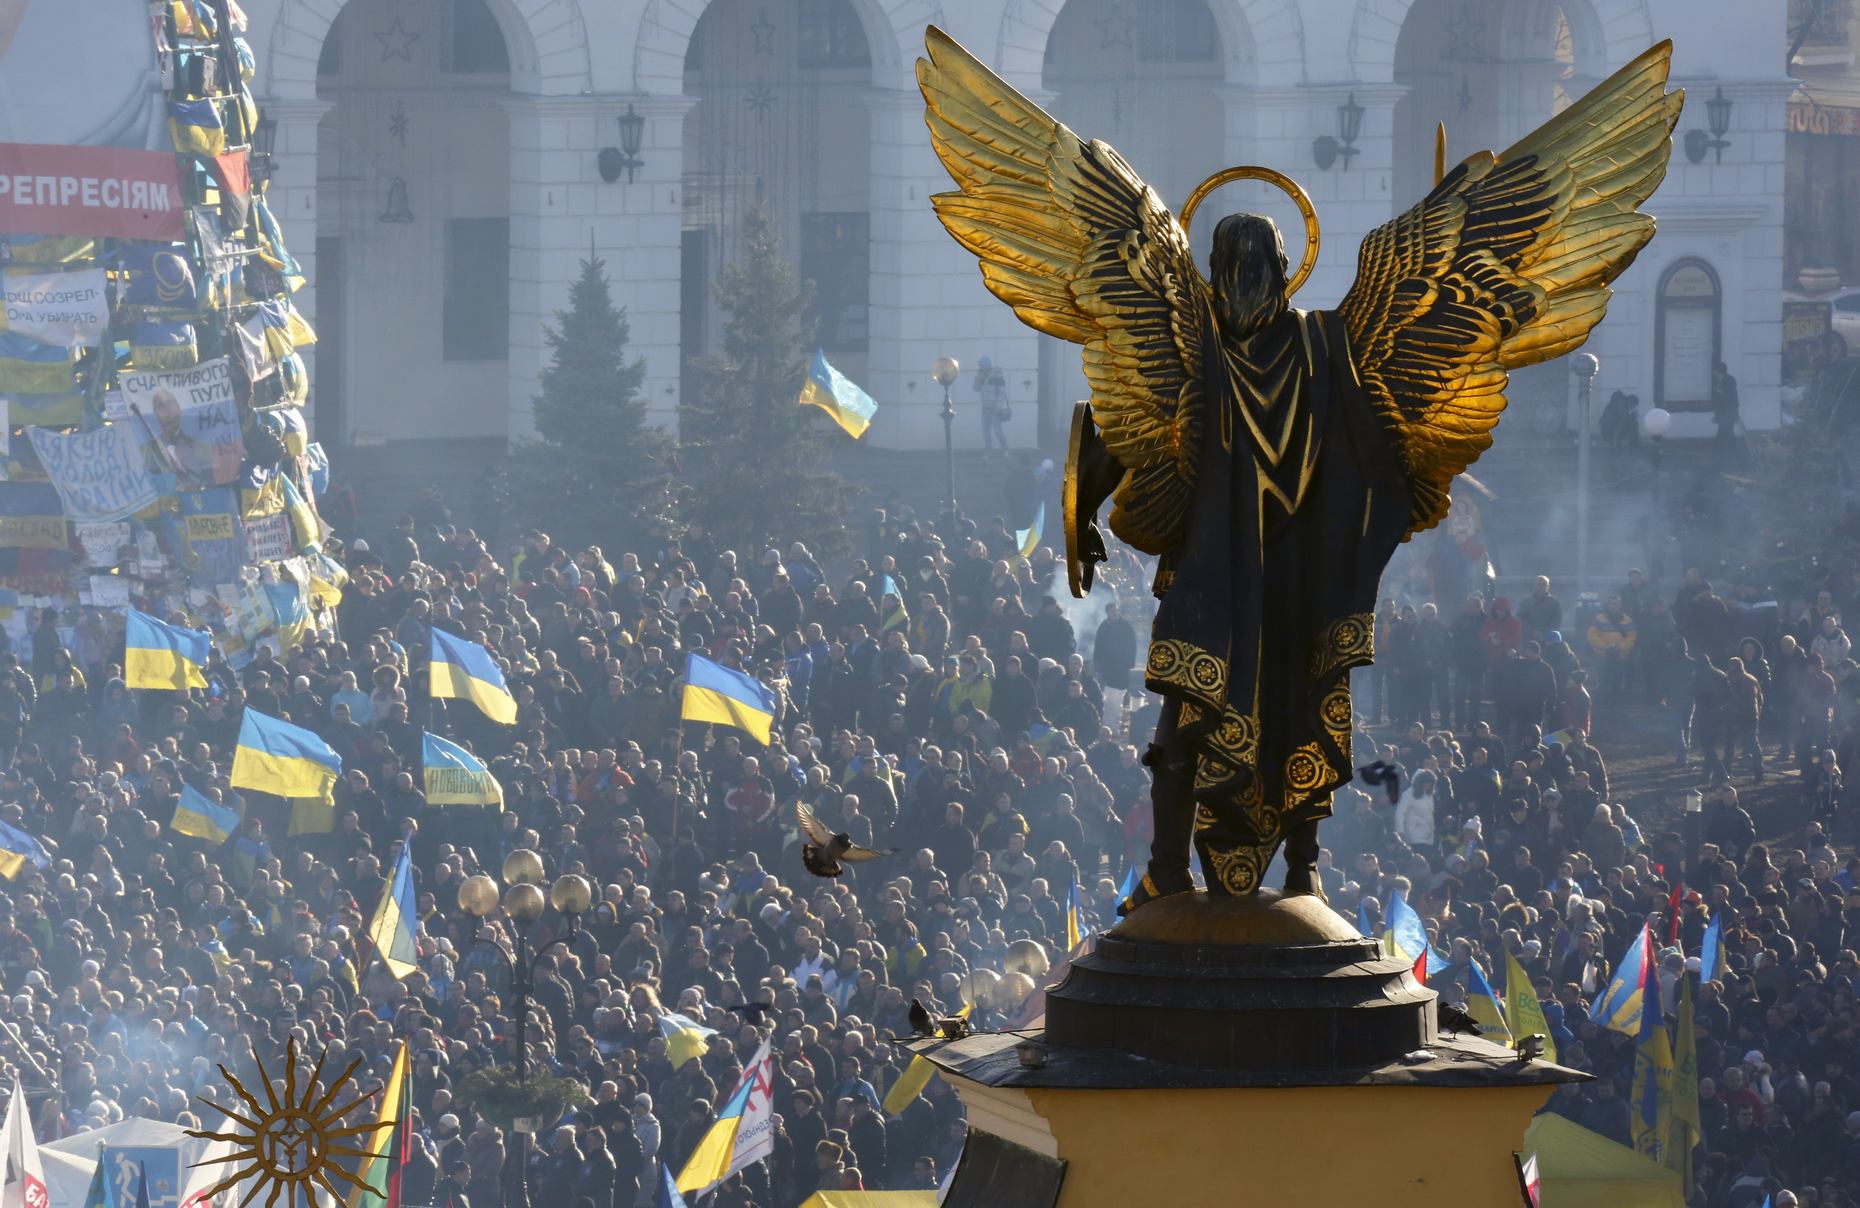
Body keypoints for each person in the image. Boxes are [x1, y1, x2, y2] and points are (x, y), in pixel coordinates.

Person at [974, 356, 1009, 455]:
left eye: (981, 365)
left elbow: (1001, 394)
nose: (980, 367)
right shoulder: (981, 376)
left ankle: (1005, 448)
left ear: (986, 365)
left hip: (994, 408)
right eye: (979, 366)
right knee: (986, 430)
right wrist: (978, 377)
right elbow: (976, 388)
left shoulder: (997, 376)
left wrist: (997, 407)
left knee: (997, 430)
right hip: (985, 408)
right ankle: (988, 450)